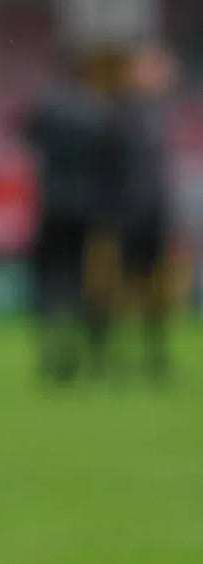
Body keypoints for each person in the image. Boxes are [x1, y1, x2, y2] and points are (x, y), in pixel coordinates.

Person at [19, 59, 123, 383]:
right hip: (90, 213)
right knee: (89, 282)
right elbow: (113, 163)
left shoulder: (49, 112)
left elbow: (25, 131)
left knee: (51, 282)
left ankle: (54, 349)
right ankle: (92, 352)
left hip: (53, 209)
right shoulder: (101, 115)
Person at [112, 41, 177, 381]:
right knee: (124, 284)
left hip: (154, 212)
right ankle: (117, 354)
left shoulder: (156, 114)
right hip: (128, 213)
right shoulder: (119, 115)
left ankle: (153, 353)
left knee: (156, 286)